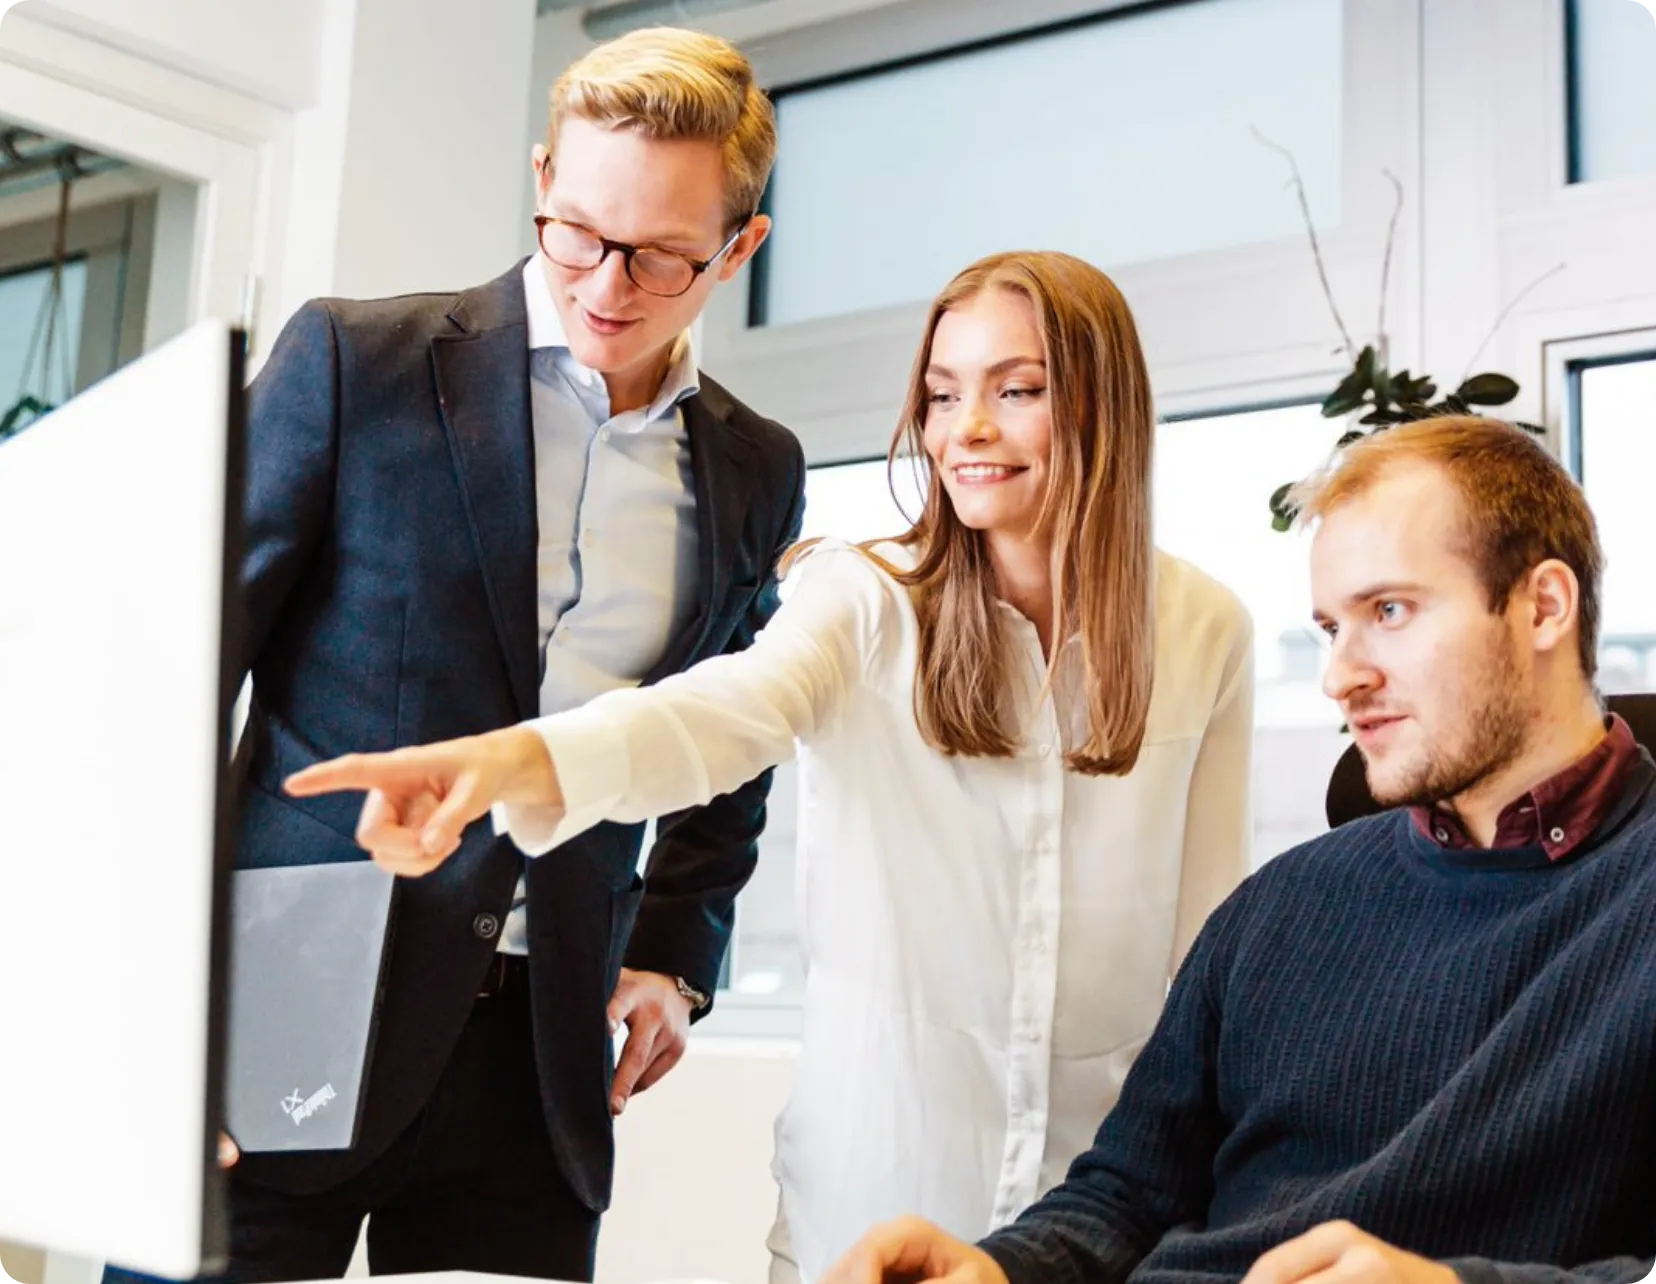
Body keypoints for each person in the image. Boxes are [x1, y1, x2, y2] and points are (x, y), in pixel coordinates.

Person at [286, 249, 1256, 1284]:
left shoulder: (1206, 630)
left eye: (1017, 390)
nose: (965, 429)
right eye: (940, 395)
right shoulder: (867, 597)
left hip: (1105, 1216)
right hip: (878, 1198)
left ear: (1107, 405)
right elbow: (719, 714)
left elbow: (1210, 950)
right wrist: (514, 761)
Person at [105, 26, 804, 1284]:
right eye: (578, 233)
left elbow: (734, 726)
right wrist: (155, 1019)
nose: (604, 283)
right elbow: (169, 684)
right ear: (543, 179)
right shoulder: (352, 365)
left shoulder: (757, 467)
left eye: (659, 257)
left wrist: (675, 952)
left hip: (537, 1061)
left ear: (741, 246)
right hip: (279, 1022)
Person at [811, 415, 1656, 1284]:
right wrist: (1000, 1270)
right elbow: (1126, 1196)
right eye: (1332, 628)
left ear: (1544, 605)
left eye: (1390, 611)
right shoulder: (1282, 905)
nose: (1342, 675)